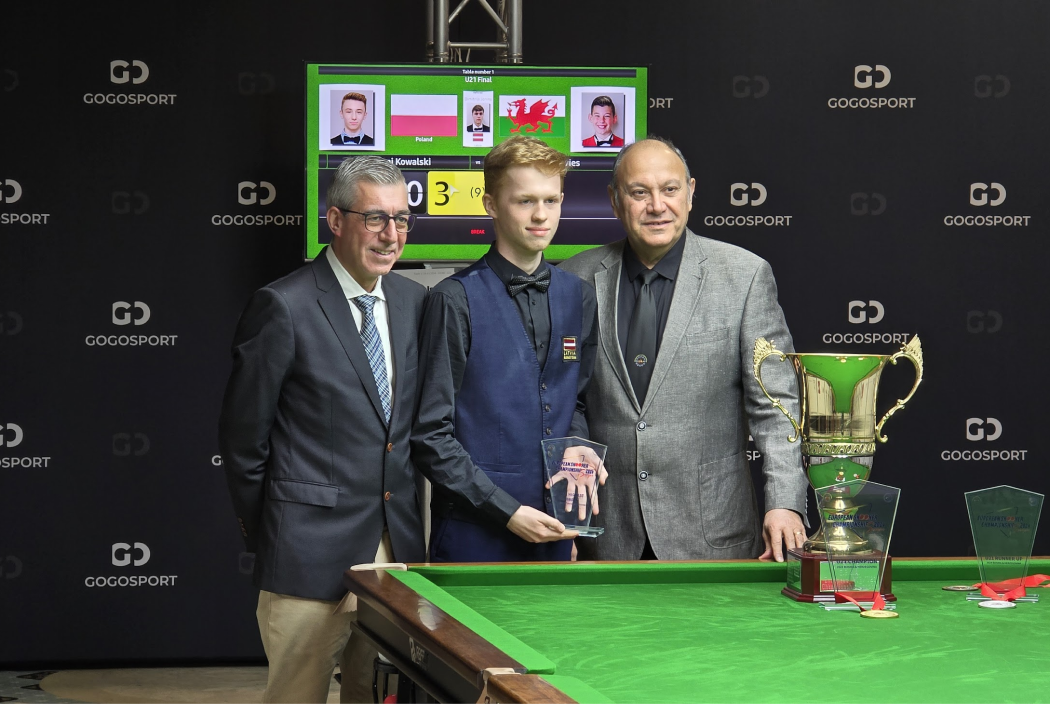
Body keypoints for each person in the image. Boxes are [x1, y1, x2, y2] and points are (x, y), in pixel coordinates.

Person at [219, 155, 425, 703]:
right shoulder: (283, 306)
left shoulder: (414, 302)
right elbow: (243, 443)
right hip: (306, 555)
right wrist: (277, 534)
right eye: (374, 218)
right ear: (335, 220)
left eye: (401, 219)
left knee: (373, 693)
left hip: (395, 555)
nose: (391, 235)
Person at [558, 137, 807, 562]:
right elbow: (565, 402)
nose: (657, 206)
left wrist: (784, 502)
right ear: (615, 200)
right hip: (606, 536)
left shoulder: (745, 277)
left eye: (670, 189)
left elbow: (775, 405)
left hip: (712, 535)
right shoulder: (573, 278)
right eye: (640, 192)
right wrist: (567, 518)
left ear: (690, 193)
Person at [412, 135, 603, 562]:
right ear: (491, 205)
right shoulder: (453, 299)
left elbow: (574, 402)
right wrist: (508, 511)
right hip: (472, 536)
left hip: (555, 533)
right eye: (525, 201)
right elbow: (431, 436)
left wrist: (578, 447)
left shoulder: (579, 296)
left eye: (551, 200)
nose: (541, 215)